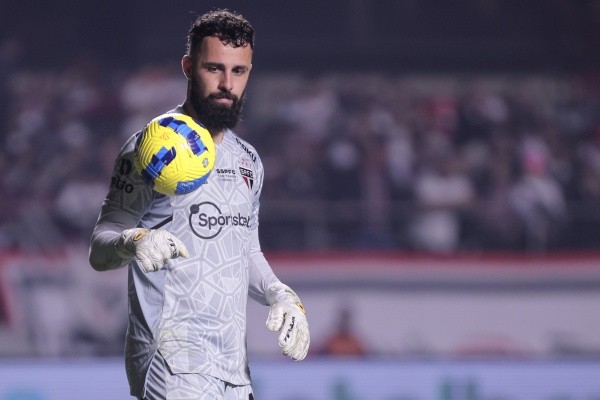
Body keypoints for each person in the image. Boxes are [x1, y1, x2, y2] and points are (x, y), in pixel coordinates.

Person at [88, 9, 310, 400]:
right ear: (188, 68)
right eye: (214, 68)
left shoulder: (248, 160)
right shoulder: (151, 149)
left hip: (234, 372)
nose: (227, 84)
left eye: (238, 71)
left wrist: (279, 293)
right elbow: (100, 247)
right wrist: (134, 241)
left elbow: (246, 252)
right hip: (171, 364)